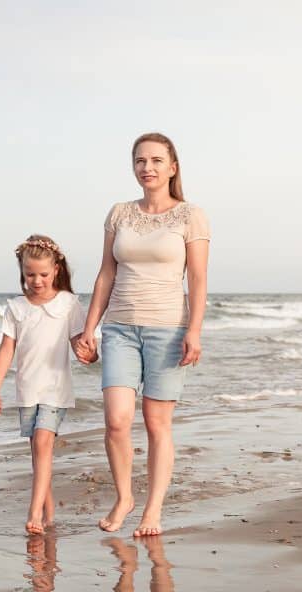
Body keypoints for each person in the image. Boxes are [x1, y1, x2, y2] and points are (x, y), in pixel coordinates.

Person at [74, 133, 209, 537]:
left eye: (155, 160)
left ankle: (153, 510)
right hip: (119, 327)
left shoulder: (191, 215)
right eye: (139, 161)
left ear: (172, 166)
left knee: (156, 423)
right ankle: (124, 497)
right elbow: (106, 273)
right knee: (116, 420)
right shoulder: (119, 213)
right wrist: (89, 329)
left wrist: (195, 330)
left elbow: (199, 279)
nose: (146, 168)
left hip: (168, 329)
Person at [0, 235, 94, 535]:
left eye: (43, 274)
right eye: (30, 274)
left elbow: (79, 341)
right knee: (38, 451)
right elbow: (6, 349)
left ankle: (33, 513)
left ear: (56, 270)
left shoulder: (68, 303)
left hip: (55, 388)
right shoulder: (16, 307)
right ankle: (48, 513)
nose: (36, 280)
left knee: (44, 443)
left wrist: (90, 352)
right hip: (27, 390)